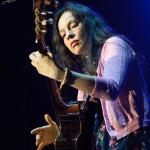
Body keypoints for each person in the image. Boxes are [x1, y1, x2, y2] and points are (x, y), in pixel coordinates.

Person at [29, 1, 150, 150]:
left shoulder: (115, 44)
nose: (69, 35)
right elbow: (85, 128)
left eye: (73, 25)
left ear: (88, 23)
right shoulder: (85, 78)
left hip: (135, 140)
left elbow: (110, 89)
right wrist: (60, 134)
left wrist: (60, 74)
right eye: (63, 34)